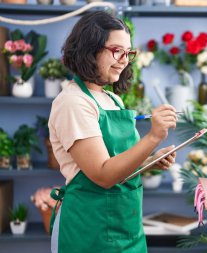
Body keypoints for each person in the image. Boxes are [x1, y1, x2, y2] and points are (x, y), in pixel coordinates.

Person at [48, 11, 177, 253]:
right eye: (117, 50)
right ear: (90, 49)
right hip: (90, 231)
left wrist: (150, 161)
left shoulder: (112, 99)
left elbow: (118, 164)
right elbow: (103, 175)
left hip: (126, 228)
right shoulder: (73, 102)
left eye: (128, 53)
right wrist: (153, 137)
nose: (124, 60)